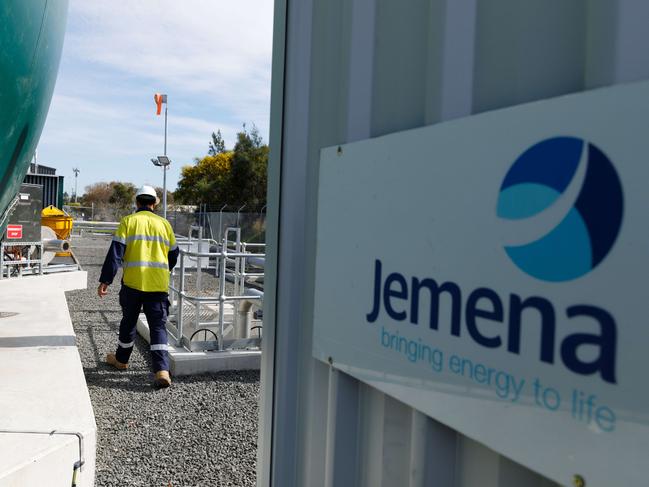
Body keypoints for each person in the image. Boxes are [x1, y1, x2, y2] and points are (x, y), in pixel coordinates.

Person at [97, 185, 179, 388]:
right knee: (158, 326)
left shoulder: (128, 222)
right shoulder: (164, 224)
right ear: (154, 204)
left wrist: (106, 280)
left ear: (137, 202)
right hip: (158, 285)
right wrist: (163, 270)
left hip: (133, 284)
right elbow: (174, 253)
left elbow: (116, 253)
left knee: (129, 322)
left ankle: (122, 360)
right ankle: (161, 369)